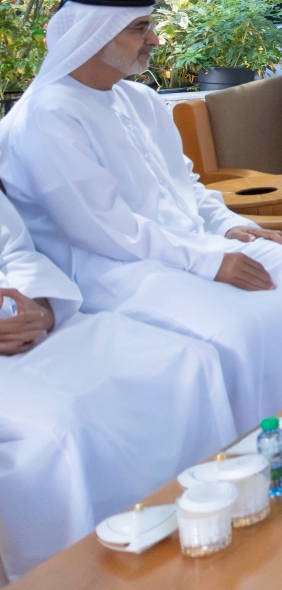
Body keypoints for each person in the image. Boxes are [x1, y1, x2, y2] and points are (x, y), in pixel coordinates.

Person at [0, 0, 282, 432]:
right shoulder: (45, 116)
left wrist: (228, 225)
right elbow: (104, 229)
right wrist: (210, 262)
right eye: (140, 29)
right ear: (93, 35)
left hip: (198, 245)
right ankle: (263, 445)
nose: (154, 40)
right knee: (238, 328)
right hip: (116, 272)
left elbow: (184, 183)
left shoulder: (139, 99)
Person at [0, 186, 235, 579]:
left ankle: (213, 524)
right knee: (63, 428)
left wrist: (40, 309)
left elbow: (17, 252)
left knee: (184, 360)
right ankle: (87, 576)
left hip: (35, 329)